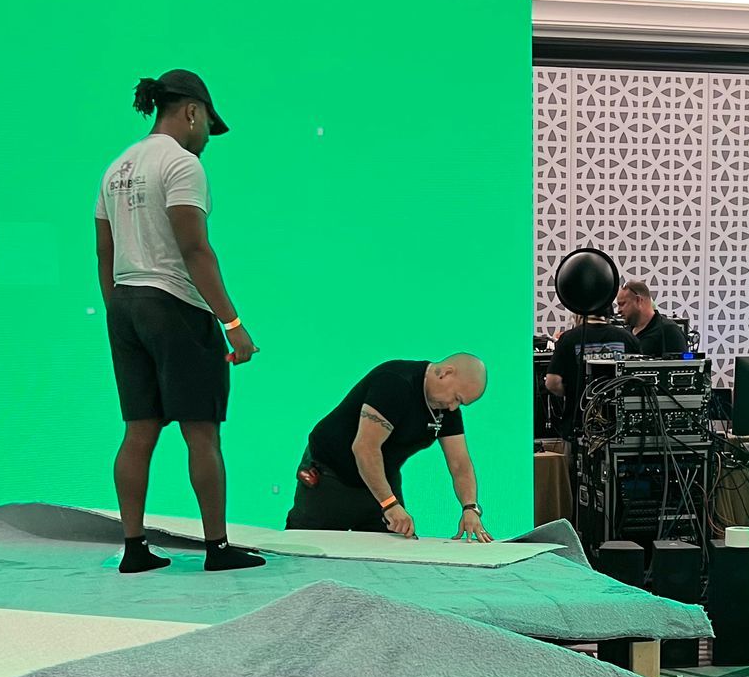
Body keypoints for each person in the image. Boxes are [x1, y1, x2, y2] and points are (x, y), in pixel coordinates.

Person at [95, 68, 265, 575]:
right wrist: (232, 323)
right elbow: (194, 248)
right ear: (192, 112)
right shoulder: (181, 164)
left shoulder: (116, 167)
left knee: (138, 431)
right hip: (175, 307)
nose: (208, 138)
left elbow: (104, 252)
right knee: (201, 433)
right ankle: (217, 548)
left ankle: (134, 548)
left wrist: (120, 313)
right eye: (209, 125)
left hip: (125, 303)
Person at [288, 356, 492, 540]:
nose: (454, 407)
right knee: (305, 550)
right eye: (457, 398)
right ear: (445, 373)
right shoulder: (395, 382)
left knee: (397, 551)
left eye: (461, 404)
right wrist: (390, 504)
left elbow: (460, 464)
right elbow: (365, 448)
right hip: (331, 475)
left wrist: (470, 508)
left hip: (381, 479)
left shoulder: (445, 409)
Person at [544, 313, 638, 442]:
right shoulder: (628, 338)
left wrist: (574, 392)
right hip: (620, 427)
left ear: (578, 314)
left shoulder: (568, 338)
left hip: (578, 425)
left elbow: (551, 383)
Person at [615, 278, 690, 359]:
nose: (618, 310)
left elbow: (681, 366)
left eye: (622, 304)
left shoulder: (669, 331)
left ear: (638, 300)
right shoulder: (626, 335)